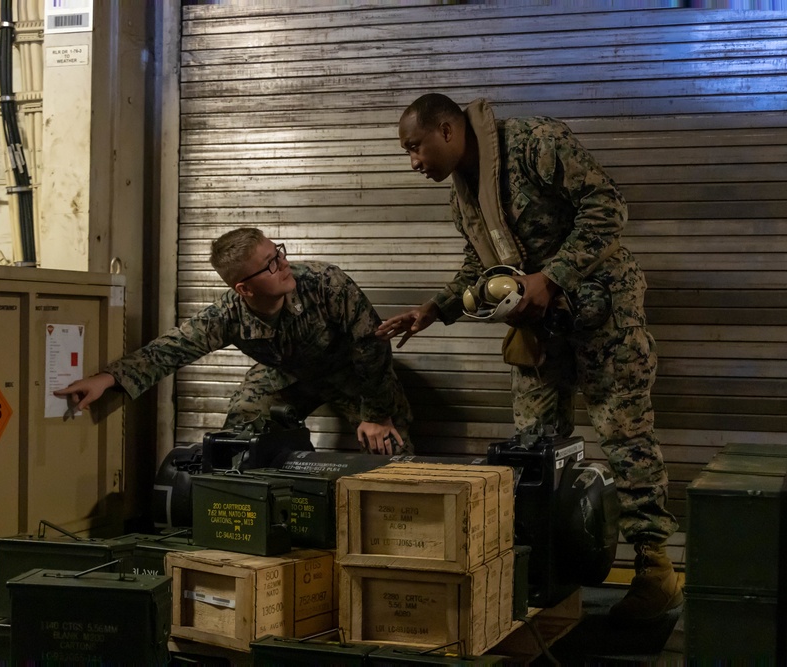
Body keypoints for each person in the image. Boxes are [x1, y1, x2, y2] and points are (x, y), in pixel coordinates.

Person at [377, 93, 680, 620]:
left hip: (602, 311)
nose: (413, 162)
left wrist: (552, 277)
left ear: (447, 131)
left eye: (415, 147)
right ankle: (546, 568)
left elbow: (607, 207)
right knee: (534, 447)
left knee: (625, 436)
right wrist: (435, 308)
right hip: (541, 330)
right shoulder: (463, 196)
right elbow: (481, 261)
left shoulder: (533, 143)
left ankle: (655, 570)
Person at [56, 227, 413, 455]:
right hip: (287, 374)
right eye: (270, 264)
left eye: (279, 253)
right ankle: (252, 507)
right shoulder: (228, 315)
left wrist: (377, 415)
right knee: (239, 434)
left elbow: (373, 344)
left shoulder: (325, 283)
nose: (284, 264)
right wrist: (105, 379)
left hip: (351, 372)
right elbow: (172, 349)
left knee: (392, 448)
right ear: (244, 289)